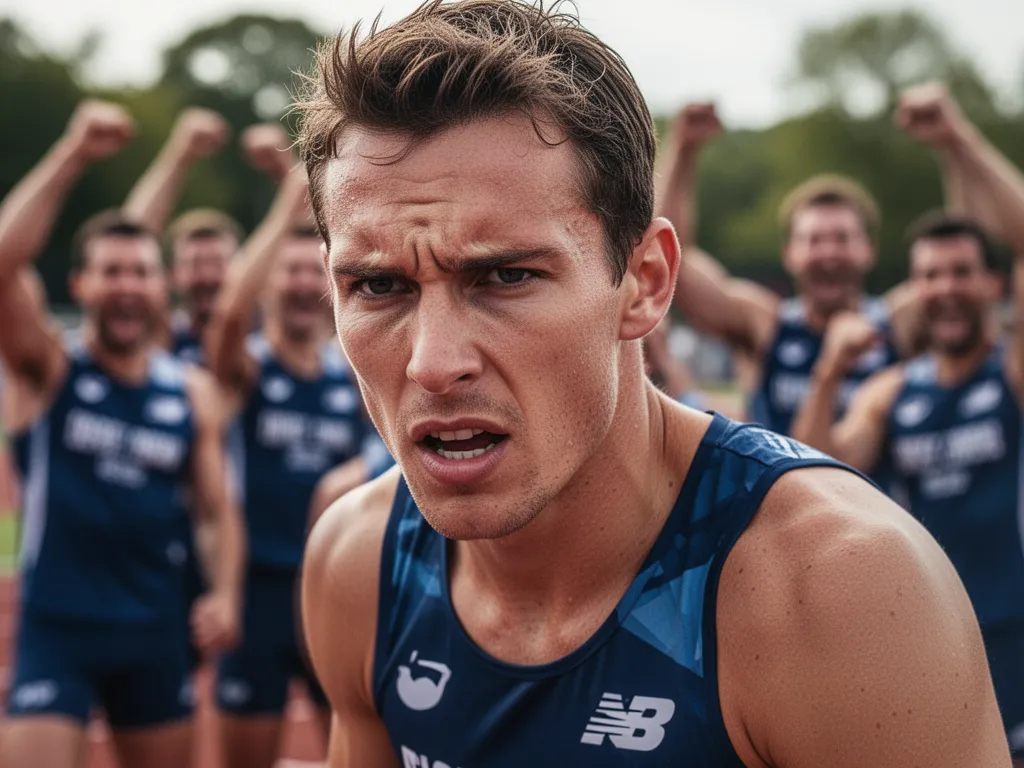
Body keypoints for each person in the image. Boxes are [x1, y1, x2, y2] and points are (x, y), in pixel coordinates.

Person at [296, 3, 1010, 766]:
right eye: (378, 286)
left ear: (644, 282)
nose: (433, 364)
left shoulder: (836, 593)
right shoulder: (357, 559)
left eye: (505, 276)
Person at [0, 100, 244, 768]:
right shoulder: (49, 370)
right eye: (110, 272)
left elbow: (215, 511)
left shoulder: (189, 391)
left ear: (161, 287)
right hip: (59, 629)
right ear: (80, 285)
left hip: (155, 629)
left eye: (140, 272)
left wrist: (224, 592)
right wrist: (73, 154)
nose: (127, 285)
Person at [792, 83, 1024, 762]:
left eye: (962, 273)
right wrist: (830, 372)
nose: (945, 289)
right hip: (932, 636)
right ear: (912, 290)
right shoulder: (892, 390)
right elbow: (815, 476)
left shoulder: (1012, 372)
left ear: (994, 285)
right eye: (930, 276)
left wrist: (957, 141)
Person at [204, 138, 383, 768]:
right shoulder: (248, 369)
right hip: (257, 591)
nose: (305, 284)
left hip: (336, 580)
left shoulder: (349, 377)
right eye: (291, 271)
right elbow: (228, 316)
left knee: (353, 748)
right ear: (268, 283)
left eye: (315, 272)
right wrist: (288, 201)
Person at [656, 102, 921, 438]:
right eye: (814, 240)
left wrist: (955, 142)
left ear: (869, 250)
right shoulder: (766, 324)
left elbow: (972, 257)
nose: (828, 252)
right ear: (789, 254)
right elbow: (671, 258)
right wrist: (683, 148)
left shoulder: (898, 322)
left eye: (841, 238)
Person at [123, 106, 235, 364]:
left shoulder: (262, 340)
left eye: (217, 263)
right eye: (195, 264)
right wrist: (180, 153)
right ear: (171, 275)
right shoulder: (163, 336)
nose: (207, 276)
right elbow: (132, 236)